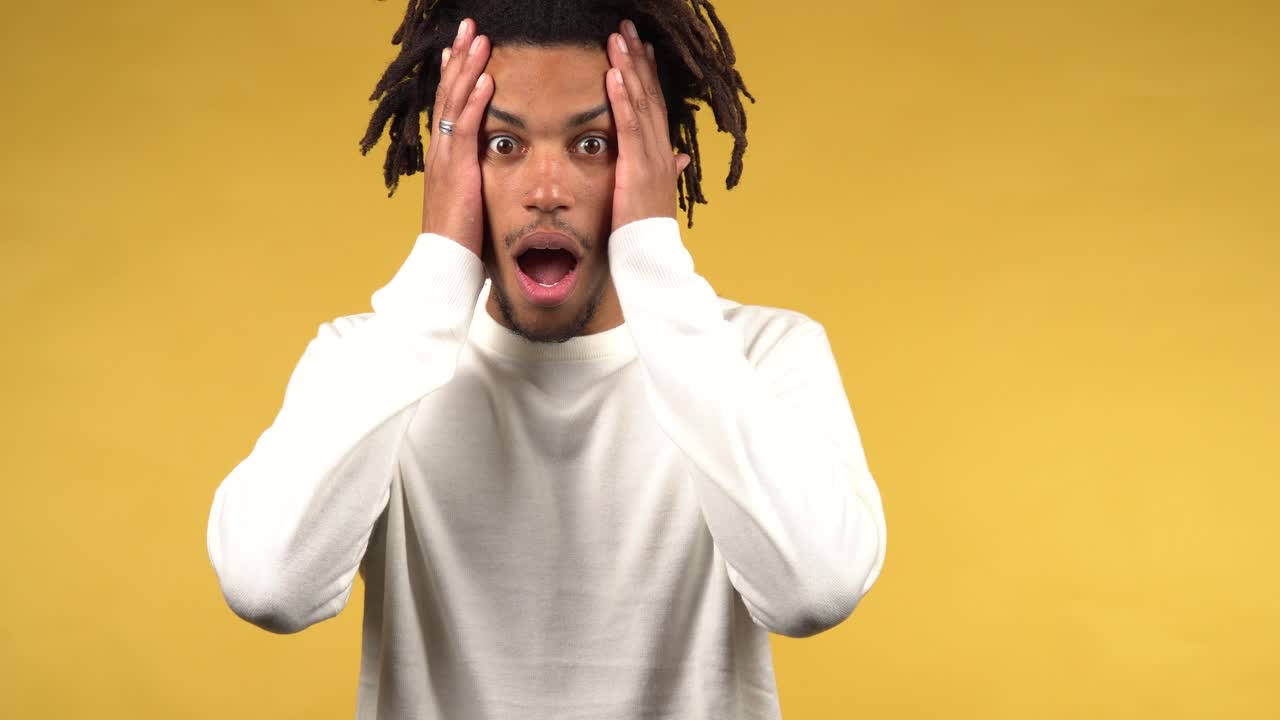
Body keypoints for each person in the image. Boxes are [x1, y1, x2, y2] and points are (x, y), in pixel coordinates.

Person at [206, 1, 887, 717]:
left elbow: (815, 590)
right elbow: (269, 586)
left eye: (593, 145)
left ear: (658, 161)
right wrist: (437, 268)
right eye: (504, 145)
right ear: (449, 164)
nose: (547, 193)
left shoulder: (763, 357)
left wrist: (655, 263)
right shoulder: (372, 361)